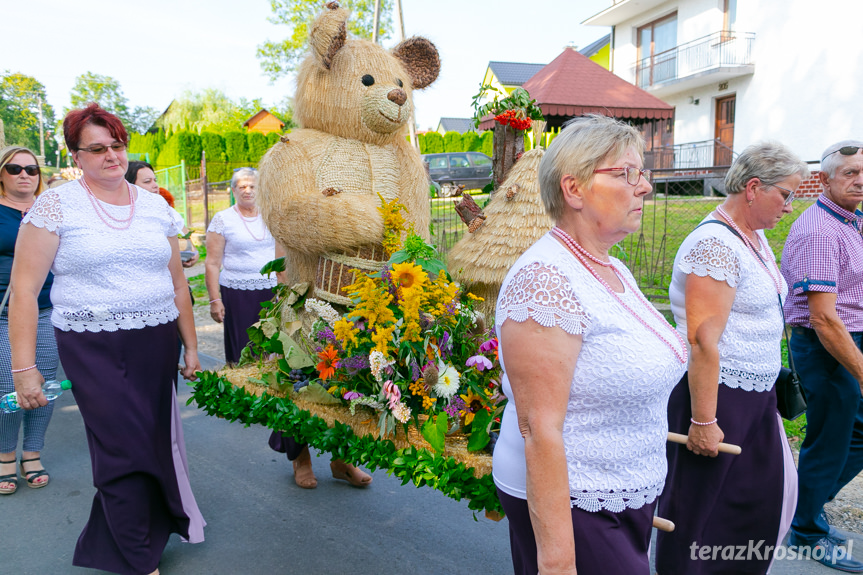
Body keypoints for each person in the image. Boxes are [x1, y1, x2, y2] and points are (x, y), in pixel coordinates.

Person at [9, 103, 205, 575]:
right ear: (75, 155)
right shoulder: (54, 206)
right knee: (122, 448)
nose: (112, 157)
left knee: (154, 442)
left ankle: (141, 531)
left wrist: (192, 346)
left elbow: (178, 284)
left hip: (156, 341)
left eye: (117, 145)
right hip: (91, 344)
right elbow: (24, 290)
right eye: (97, 149)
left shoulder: (156, 206)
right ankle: (139, 558)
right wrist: (24, 368)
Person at [492, 114, 688, 575]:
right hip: (576, 500)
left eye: (641, 174)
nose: (644, 188)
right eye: (625, 174)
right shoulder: (544, 281)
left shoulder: (610, 268)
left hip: (623, 491)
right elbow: (539, 427)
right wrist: (558, 564)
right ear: (574, 189)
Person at [656, 142, 808, 574]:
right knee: (699, 513)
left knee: (756, 506)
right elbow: (703, 341)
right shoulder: (714, 245)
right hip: (717, 397)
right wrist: (704, 421)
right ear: (754, 188)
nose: (790, 207)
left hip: (756, 396)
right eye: (787, 195)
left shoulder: (753, 238)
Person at [781, 141, 863, 572]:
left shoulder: (851, 220)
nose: (860, 180)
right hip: (827, 343)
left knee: (856, 433)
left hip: (849, 335)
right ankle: (807, 531)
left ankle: (804, 504)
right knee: (829, 438)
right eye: (850, 172)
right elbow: (824, 318)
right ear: (825, 179)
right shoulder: (819, 229)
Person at [0, 146, 58, 494]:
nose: (24, 175)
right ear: (1, 175)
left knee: (46, 387)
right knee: (10, 388)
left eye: (32, 169)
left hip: (49, 310)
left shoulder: (49, 211)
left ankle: (32, 454)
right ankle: (6, 455)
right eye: (15, 168)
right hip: (5, 314)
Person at [204, 167, 279, 364]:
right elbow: (212, 263)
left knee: (272, 345)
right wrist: (214, 300)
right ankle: (243, 388)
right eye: (242, 186)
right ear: (233, 190)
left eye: (253, 186)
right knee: (243, 347)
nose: (248, 190)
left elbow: (283, 256)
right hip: (237, 293)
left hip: (272, 290)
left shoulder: (271, 216)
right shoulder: (223, 219)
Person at [125, 160, 199, 267]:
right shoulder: (123, 217)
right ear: (130, 185)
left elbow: (189, 244)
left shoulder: (167, 211)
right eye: (147, 181)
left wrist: (193, 256)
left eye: (155, 180)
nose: (155, 185)